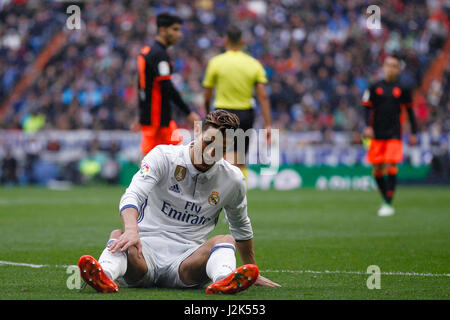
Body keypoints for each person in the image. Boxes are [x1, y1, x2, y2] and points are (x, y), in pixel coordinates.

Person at [78, 110, 280, 294]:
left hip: (187, 263)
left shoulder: (233, 179)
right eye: (208, 142)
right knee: (119, 235)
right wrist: (131, 229)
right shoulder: (163, 157)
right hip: (143, 253)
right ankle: (104, 274)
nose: (211, 153)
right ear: (198, 131)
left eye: (220, 148)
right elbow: (132, 195)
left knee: (225, 240)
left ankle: (224, 280)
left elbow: (240, 226)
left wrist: (253, 271)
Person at [202, 25, 272, 179]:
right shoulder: (253, 64)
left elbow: (207, 95)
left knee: (220, 157)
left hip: (222, 113)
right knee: (240, 160)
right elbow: (263, 96)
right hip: (245, 115)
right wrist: (267, 124)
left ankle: (220, 196)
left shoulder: (216, 62)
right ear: (242, 42)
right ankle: (239, 198)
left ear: (225, 41)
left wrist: (208, 115)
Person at [131, 13, 200, 159]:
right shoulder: (159, 54)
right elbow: (167, 86)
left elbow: (143, 86)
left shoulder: (147, 52)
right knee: (169, 158)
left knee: (166, 158)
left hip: (154, 117)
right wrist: (188, 112)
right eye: (175, 30)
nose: (179, 34)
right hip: (158, 120)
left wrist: (142, 113)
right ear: (162, 30)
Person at [362, 54, 418, 216]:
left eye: (394, 66)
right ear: (383, 67)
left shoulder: (403, 89)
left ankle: (388, 202)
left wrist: (414, 132)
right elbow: (366, 107)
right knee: (377, 168)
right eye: (388, 65)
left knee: (390, 164)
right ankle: (386, 199)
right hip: (377, 133)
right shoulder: (374, 86)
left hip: (394, 132)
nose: (390, 68)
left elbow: (410, 111)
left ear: (398, 70)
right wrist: (367, 127)